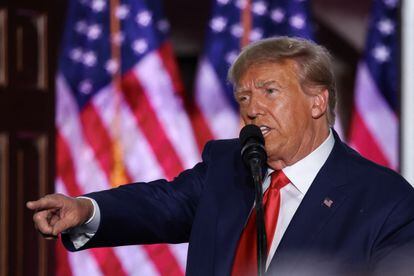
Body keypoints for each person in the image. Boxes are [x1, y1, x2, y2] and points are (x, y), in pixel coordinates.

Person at [27, 36, 414, 275]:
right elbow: (159, 204)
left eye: (269, 92)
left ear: (317, 102)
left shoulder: (385, 201)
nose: (252, 109)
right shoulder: (229, 165)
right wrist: (85, 209)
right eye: (244, 97)